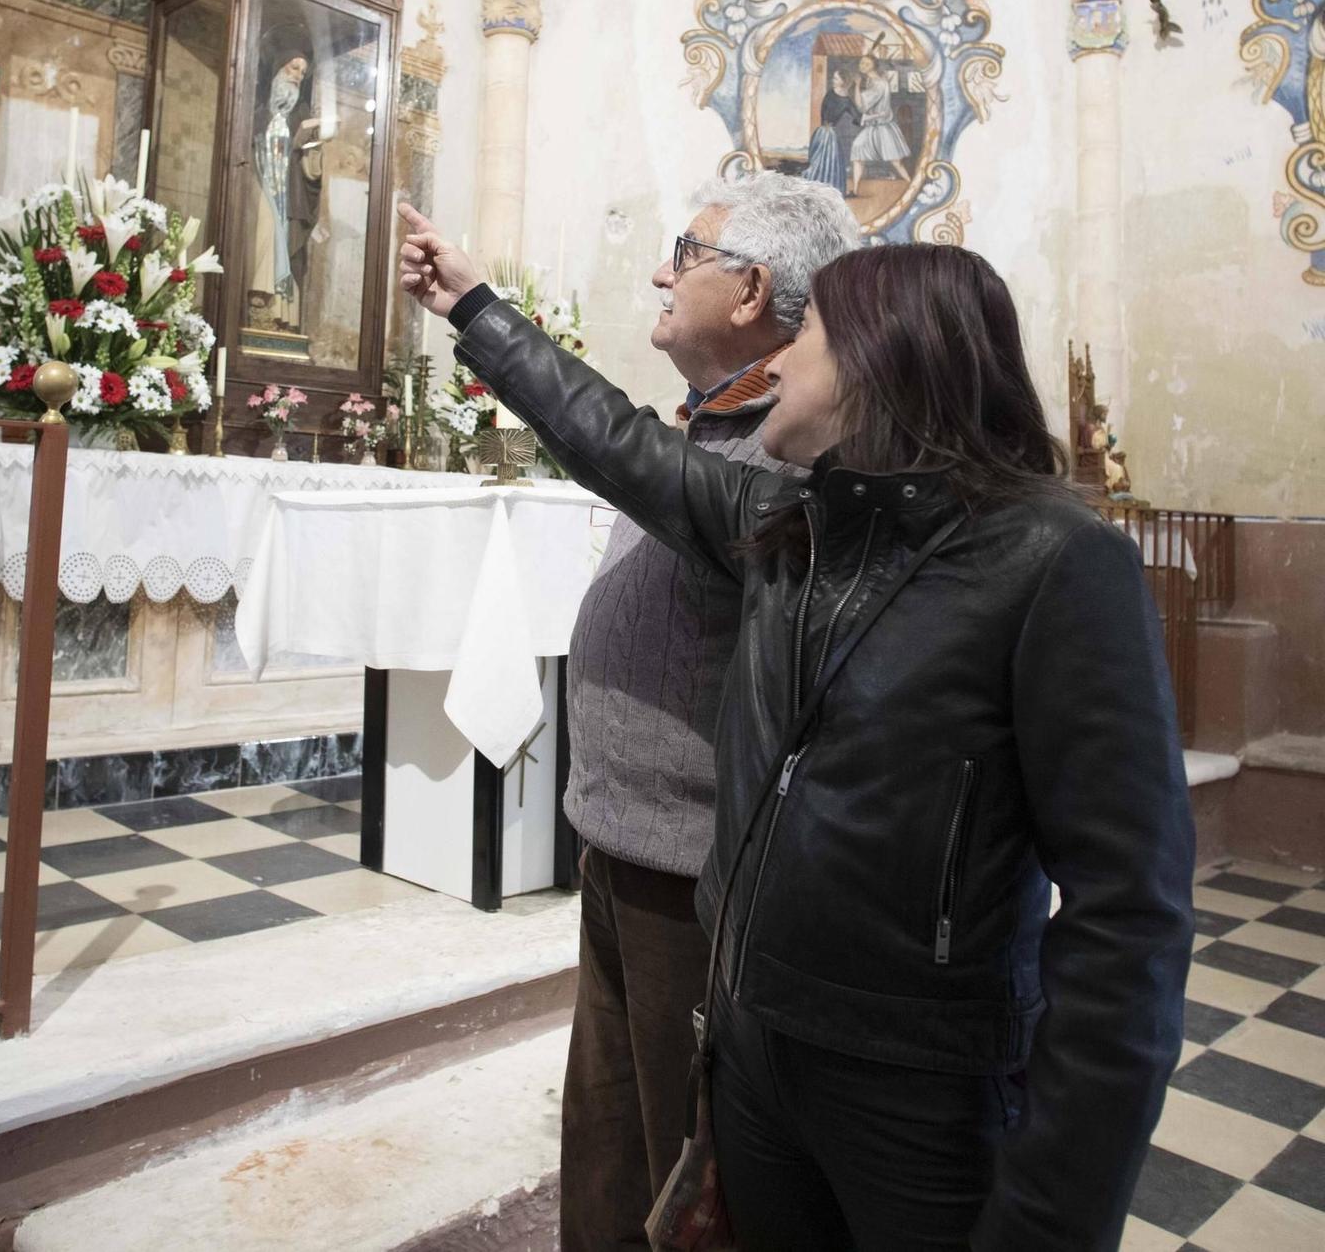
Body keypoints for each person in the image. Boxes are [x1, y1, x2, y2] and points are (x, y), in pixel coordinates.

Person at [397, 204, 1193, 1250]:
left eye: (805, 340)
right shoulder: (788, 526)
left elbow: (1127, 917)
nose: (776, 367)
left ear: (880, 365)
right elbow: (618, 441)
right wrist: (475, 309)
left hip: (913, 1074)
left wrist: (1050, 1213)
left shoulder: (1052, 561)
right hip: (755, 1043)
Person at [555, 173, 857, 1252]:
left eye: (685, 251)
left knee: (682, 1177)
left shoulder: (783, 450)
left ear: (750, 291)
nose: (658, 269)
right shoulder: (704, 427)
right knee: (603, 1147)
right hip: (618, 841)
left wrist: (471, 313)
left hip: (693, 872)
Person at [848, 55, 912, 197]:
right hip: (872, 128)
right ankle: (855, 190)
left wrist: (857, 86)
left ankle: (913, 186)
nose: (862, 65)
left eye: (866, 63)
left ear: (873, 65)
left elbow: (861, 106)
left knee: (896, 161)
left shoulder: (879, 83)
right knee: (858, 153)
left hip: (884, 128)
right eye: (861, 62)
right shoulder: (871, 81)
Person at [802, 71, 856, 195]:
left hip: (829, 132)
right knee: (818, 160)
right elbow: (823, 111)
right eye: (833, 78)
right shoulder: (831, 94)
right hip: (824, 132)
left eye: (836, 78)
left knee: (829, 161)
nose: (833, 80)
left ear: (843, 81)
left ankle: (826, 187)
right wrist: (825, 125)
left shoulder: (847, 100)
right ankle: (817, 186)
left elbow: (857, 117)